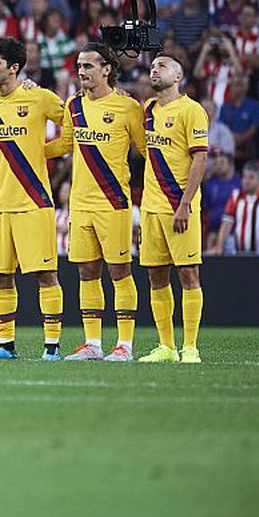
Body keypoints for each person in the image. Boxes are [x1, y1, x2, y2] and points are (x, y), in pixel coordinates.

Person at [45, 44, 146, 362]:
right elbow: (63, 144)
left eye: (88, 66)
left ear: (107, 69)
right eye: (79, 66)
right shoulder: (74, 106)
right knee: (87, 272)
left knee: (120, 271)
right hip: (80, 203)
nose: (81, 71)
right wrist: (24, 148)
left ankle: (125, 346)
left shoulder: (128, 108)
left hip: (113, 202)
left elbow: (146, 151)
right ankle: (93, 343)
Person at [0, 37, 65, 361]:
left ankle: (51, 347)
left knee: (45, 275)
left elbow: (74, 124)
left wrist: (45, 152)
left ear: (14, 67)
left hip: (33, 200)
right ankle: (5, 345)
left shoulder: (38, 97)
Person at [139, 55, 208, 364]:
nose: (155, 69)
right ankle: (166, 346)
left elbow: (200, 159)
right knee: (156, 277)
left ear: (178, 76)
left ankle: (190, 346)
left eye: (163, 66)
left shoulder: (192, 110)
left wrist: (184, 204)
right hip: (151, 208)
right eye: (153, 66)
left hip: (180, 206)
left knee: (188, 274)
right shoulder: (148, 110)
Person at [215, 161, 259, 255]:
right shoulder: (236, 196)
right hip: (239, 255)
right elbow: (226, 224)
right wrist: (219, 247)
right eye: (244, 177)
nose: (246, 181)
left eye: (251, 178)